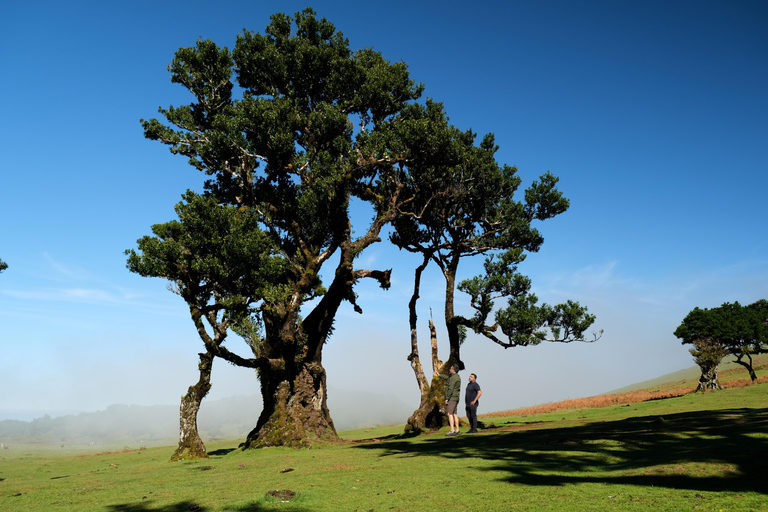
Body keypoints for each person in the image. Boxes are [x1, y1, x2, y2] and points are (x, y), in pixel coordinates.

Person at [436, 364, 462, 436]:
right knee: (454, 414)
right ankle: (457, 430)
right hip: (456, 398)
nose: (449, 369)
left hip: (452, 398)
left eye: (451, 368)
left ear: (453, 369)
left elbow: (450, 389)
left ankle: (452, 430)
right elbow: (448, 378)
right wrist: (440, 375)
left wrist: (447, 398)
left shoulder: (453, 378)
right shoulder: (455, 377)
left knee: (449, 414)